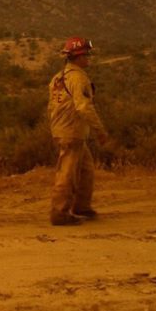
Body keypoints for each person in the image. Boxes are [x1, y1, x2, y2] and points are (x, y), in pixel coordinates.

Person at [47, 36, 108, 226]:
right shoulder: (78, 77)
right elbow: (83, 107)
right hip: (71, 132)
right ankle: (60, 213)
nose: (88, 58)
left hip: (66, 130)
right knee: (67, 173)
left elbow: (52, 106)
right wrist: (100, 130)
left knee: (86, 171)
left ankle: (82, 207)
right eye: (86, 55)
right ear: (78, 57)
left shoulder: (58, 77)